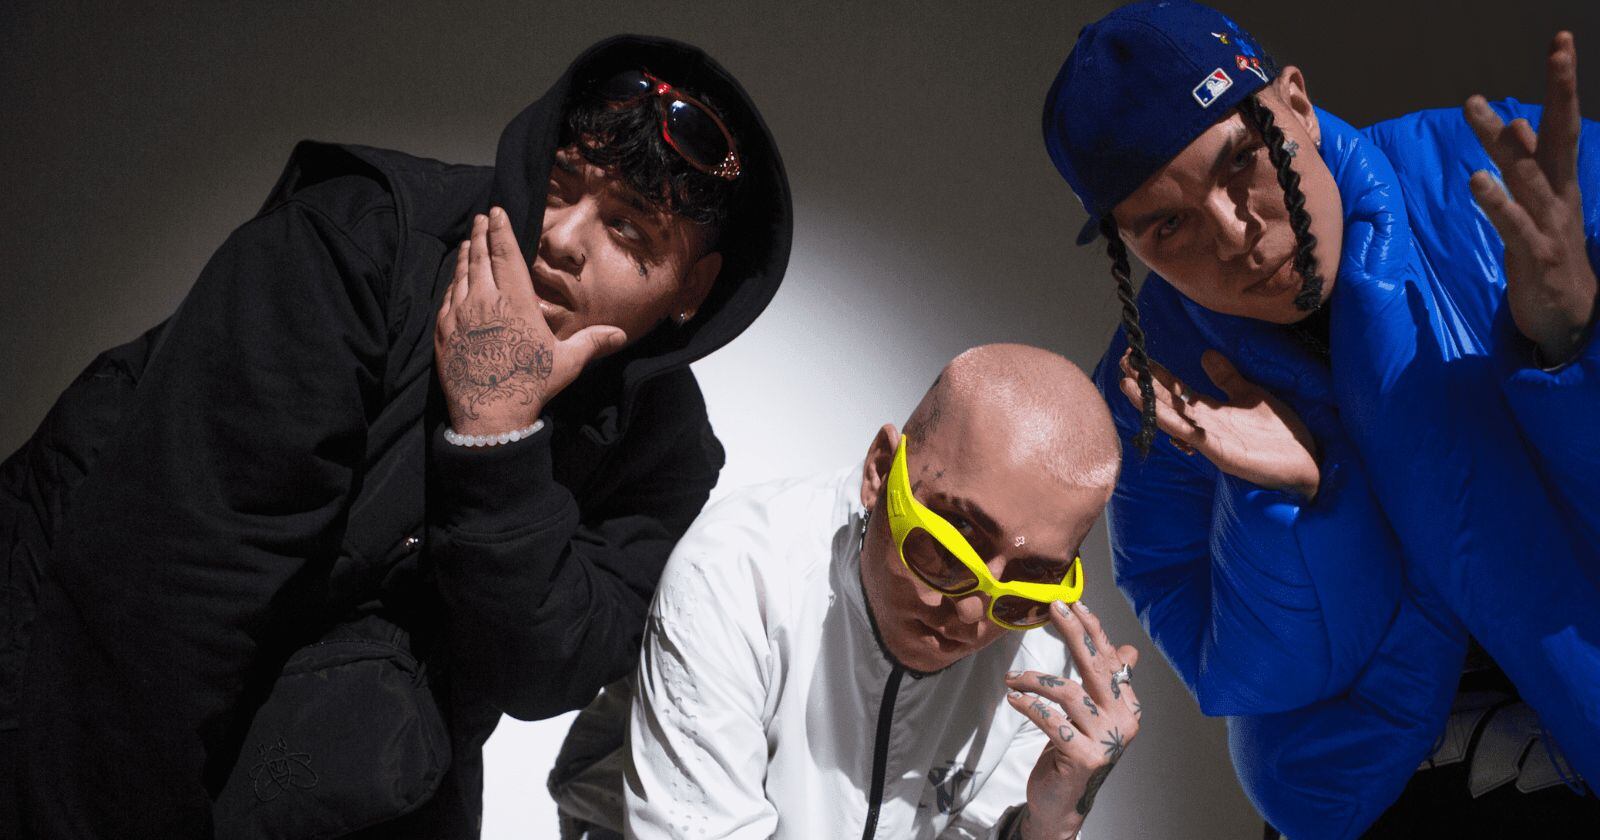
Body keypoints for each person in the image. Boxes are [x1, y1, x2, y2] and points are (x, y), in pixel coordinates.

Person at [0, 35, 791, 838]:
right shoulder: (356, 247)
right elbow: (159, 612)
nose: (562, 238)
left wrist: (499, 435)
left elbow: (545, 667)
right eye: (560, 187)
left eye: (627, 230)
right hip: (68, 666)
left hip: (339, 740)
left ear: (694, 289)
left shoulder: (665, 446)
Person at [1041, 2, 1600, 837]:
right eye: (1168, 224)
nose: (1235, 232)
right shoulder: (1152, 394)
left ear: (1297, 104)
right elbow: (1242, 677)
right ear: (1131, 248)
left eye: (1241, 161)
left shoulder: (1505, 178)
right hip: (1386, 791)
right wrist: (1291, 502)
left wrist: (1574, 339)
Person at [551, 344, 1144, 840]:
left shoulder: (1044, 653)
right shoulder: (738, 570)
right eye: (949, 543)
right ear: (879, 471)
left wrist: (1048, 825)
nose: (971, 612)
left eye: (1027, 582)